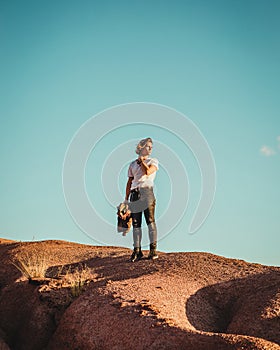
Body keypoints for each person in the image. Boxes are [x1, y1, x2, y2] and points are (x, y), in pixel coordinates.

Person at [125, 137, 159, 262]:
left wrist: (142, 162)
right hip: (134, 194)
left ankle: (153, 251)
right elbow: (129, 181)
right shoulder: (132, 164)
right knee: (136, 224)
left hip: (147, 193)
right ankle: (137, 251)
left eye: (151, 147)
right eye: (148, 146)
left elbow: (148, 172)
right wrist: (126, 199)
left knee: (150, 221)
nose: (150, 149)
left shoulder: (153, 161)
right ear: (141, 147)